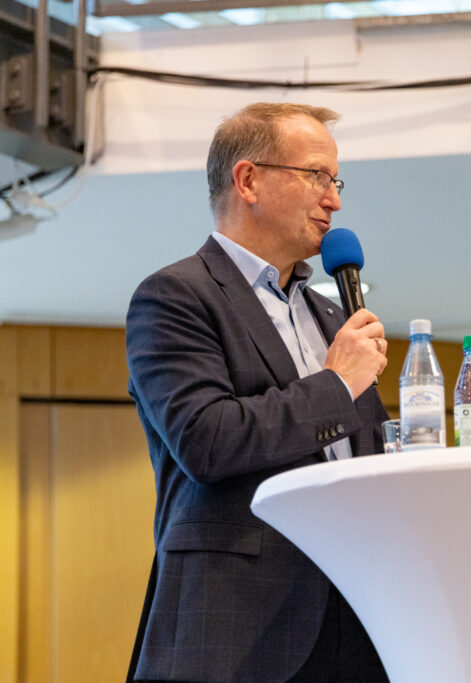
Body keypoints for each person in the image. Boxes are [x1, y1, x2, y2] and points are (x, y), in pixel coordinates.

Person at [125, 102, 390, 682]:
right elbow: (207, 440)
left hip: (355, 620)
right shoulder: (175, 296)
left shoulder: (332, 316)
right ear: (248, 180)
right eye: (317, 176)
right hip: (236, 627)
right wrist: (336, 384)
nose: (334, 200)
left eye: (336, 181)